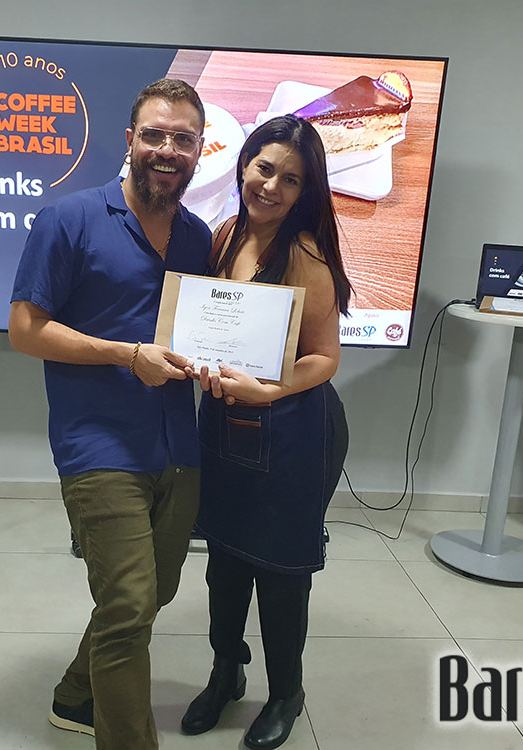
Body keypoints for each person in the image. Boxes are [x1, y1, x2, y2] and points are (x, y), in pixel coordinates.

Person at [8, 79, 211, 750]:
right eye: (154, 135)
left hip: (177, 444)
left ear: (200, 150)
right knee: (127, 604)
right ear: (130, 141)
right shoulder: (68, 218)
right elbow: (25, 330)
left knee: (153, 593)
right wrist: (126, 355)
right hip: (97, 444)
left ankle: (75, 693)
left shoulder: (197, 237)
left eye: (183, 139)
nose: (167, 149)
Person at [180, 115, 351, 750]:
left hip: (293, 429)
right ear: (244, 164)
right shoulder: (226, 235)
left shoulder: (305, 254)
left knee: (281, 570)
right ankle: (226, 672)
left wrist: (269, 390)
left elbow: (325, 358)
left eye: (292, 179)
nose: (272, 186)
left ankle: (286, 693)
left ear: (307, 191)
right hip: (225, 423)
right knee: (224, 560)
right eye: (265, 168)